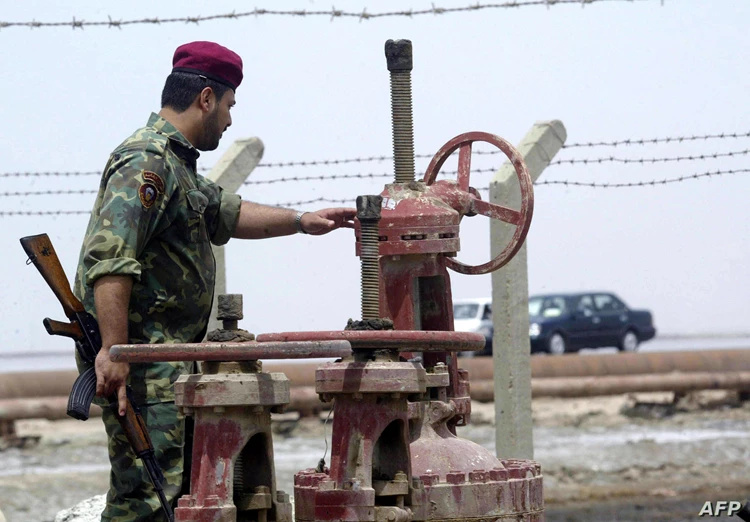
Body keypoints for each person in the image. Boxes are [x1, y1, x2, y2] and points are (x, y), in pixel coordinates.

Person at [73, 41, 356, 521]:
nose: (228, 121)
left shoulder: (176, 165)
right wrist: (116, 352)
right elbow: (110, 259)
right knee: (145, 501)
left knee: (175, 496)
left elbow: (227, 212)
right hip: (145, 365)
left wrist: (303, 220)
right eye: (228, 106)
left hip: (166, 364)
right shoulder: (148, 161)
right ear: (206, 98)